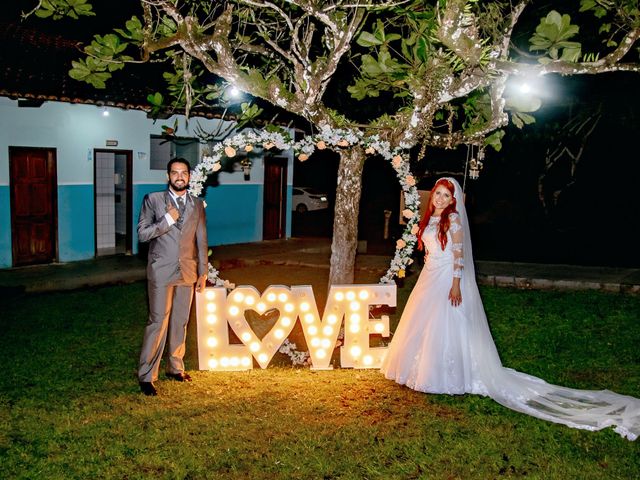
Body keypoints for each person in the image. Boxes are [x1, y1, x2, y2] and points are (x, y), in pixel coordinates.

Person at [381, 177, 640, 440]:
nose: (440, 199)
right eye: (438, 194)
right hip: (429, 274)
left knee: (443, 322)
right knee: (422, 321)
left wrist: (456, 284)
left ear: (453, 200)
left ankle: (443, 373)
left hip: (447, 276)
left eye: (446, 196)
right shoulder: (428, 219)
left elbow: (459, 255)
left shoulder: (455, 220)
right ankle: (415, 366)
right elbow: (430, 248)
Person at [137, 158, 208, 396]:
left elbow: (201, 239)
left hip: (187, 270)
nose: (180, 176)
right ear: (168, 176)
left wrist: (203, 271)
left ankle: (175, 367)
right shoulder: (153, 200)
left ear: (189, 177)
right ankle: (147, 375)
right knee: (158, 321)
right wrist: (167, 220)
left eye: (184, 173)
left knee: (181, 321)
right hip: (161, 270)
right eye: (175, 172)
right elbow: (143, 234)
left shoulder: (197, 204)